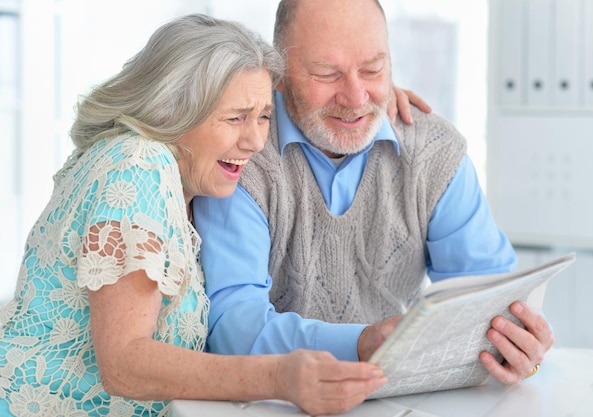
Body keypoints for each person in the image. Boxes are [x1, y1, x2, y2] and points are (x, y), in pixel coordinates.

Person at [0, 14, 393, 417]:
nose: (256, 141)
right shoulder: (137, 166)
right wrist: (277, 377)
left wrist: (364, 105)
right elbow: (123, 364)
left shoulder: (182, 181)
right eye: (235, 117)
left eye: (263, 116)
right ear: (172, 110)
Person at [194, 0, 554, 386]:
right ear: (278, 74)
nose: (356, 98)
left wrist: (520, 350)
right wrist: (359, 344)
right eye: (327, 74)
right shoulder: (241, 156)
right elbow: (233, 329)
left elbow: (491, 298)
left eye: (373, 69)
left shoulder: (433, 152)